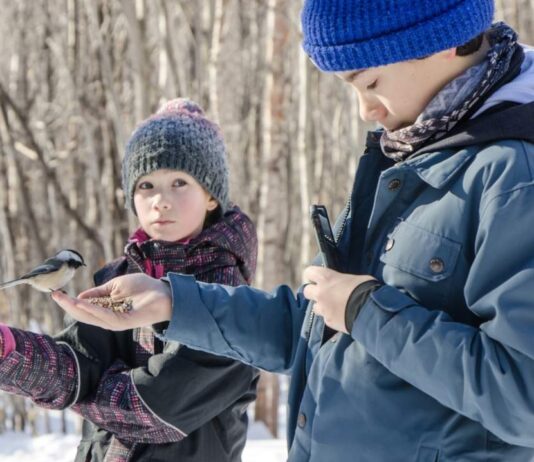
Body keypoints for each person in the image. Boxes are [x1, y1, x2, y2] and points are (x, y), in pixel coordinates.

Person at [53, 1, 534, 460]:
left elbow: (523, 397)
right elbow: (315, 327)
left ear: (440, 40)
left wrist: (368, 314)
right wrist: (173, 302)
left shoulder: (514, 176)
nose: (367, 109)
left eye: (370, 82)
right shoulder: (417, 152)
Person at [1, 98, 259, 461]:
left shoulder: (229, 299)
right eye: (147, 185)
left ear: (212, 196)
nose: (160, 201)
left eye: (180, 182)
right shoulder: (118, 278)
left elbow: (154, 410)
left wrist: (86, 389)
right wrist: (10, 352)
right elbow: (76, 366)